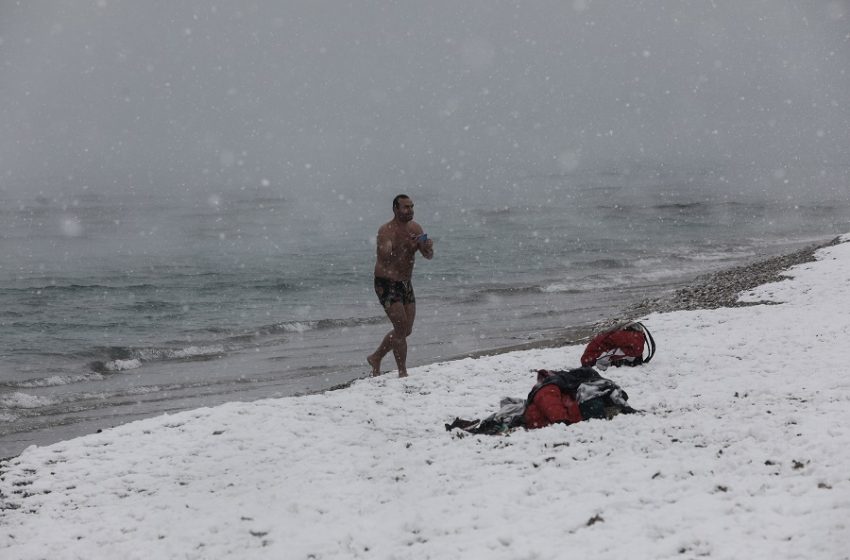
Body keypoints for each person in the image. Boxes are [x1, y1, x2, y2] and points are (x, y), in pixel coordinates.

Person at [367, 194, 434, 377]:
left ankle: (376, 357)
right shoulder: (386, 231)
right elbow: (385, 257)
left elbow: (428, 256)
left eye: (412, 206)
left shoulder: (415, 227)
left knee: (406, 330)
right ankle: (402, 372)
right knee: (400, 327)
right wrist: (404, 246)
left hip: (405, 283)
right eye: (406, 207)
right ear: (396, 209)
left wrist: (427, 246)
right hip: (386, 284)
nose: (410, 210)